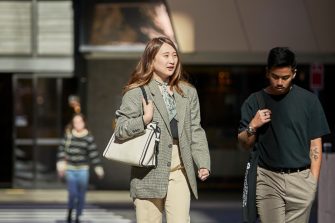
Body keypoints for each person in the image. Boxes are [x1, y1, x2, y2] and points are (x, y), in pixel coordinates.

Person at [114, 36, 211, 223]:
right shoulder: (136, 92)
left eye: (174, 55)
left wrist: (203, 161)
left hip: (179, 170)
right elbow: (120, 129)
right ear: (151, 59)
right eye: (165, 55)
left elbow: (195, 129)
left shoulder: (187, 92)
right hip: (148, 173)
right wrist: (144, 119)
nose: (172, 60)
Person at [238, 47, 330, 223]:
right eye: (275, 76)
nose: (279, 82)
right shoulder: (254, 101)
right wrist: (253, 125)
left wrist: (312, 184)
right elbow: (244, 143)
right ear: (267, 73)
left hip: (301, 179)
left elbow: (315, 144)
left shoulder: (309, 101)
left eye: (285, 77)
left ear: (294, 74)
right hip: (268, 179)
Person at [57, 113, 104, 223]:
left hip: (83, 170)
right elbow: (61, 151)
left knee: (81, 194)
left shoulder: (88, 137)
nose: (78, 124)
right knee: (72, 193)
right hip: (70, 169)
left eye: (80, 122)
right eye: (75, 122)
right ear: (73, 124)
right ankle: (70, 210)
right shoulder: (69, 135)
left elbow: (93, 154)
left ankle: (78, 215)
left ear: (84, 123)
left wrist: (98, 168)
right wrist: (60, 166)